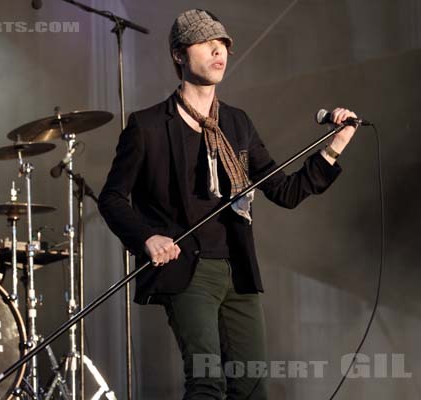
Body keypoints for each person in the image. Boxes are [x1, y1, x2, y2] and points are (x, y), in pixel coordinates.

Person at [98, 9, 359, 400]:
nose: (219, 53)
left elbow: (284, 192)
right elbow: (112, 198)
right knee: (207, 383)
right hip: (187, 269)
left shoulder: (238, 124)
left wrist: (333, 149)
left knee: (252, 387)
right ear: (179, 54)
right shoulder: (148, 125)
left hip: (237, 268)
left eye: (223, 46)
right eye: (207, 44)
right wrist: (147, 238)